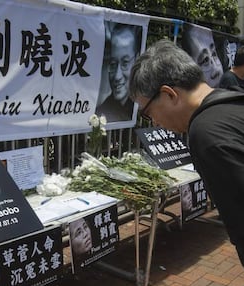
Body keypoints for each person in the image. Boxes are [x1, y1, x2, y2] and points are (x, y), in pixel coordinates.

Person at [129, 39, 244, 265]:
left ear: (169, 94)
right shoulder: (233, 105)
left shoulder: (206, 133)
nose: (155, 123)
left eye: (149, 113)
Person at [96, 23, 142, 122]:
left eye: (125, 63)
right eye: (112, 64)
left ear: (138, 59)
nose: (117, 76)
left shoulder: (145, 105)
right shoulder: (100, 113)